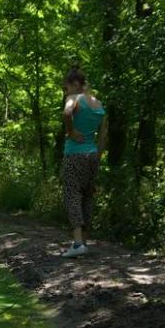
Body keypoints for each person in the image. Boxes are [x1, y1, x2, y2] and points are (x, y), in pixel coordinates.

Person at [60, 66, 108, 258]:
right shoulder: (98, 103)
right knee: (87, 196)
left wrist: (70, 131)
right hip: (92, 156)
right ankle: (85, 241)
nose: (66, 92)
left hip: (74, 154)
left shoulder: (74, 99)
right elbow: (104, 133)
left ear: (76, 84)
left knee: (72, 194)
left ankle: (78, 243)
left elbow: (66, 113)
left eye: (66, 88)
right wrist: (99, 153)